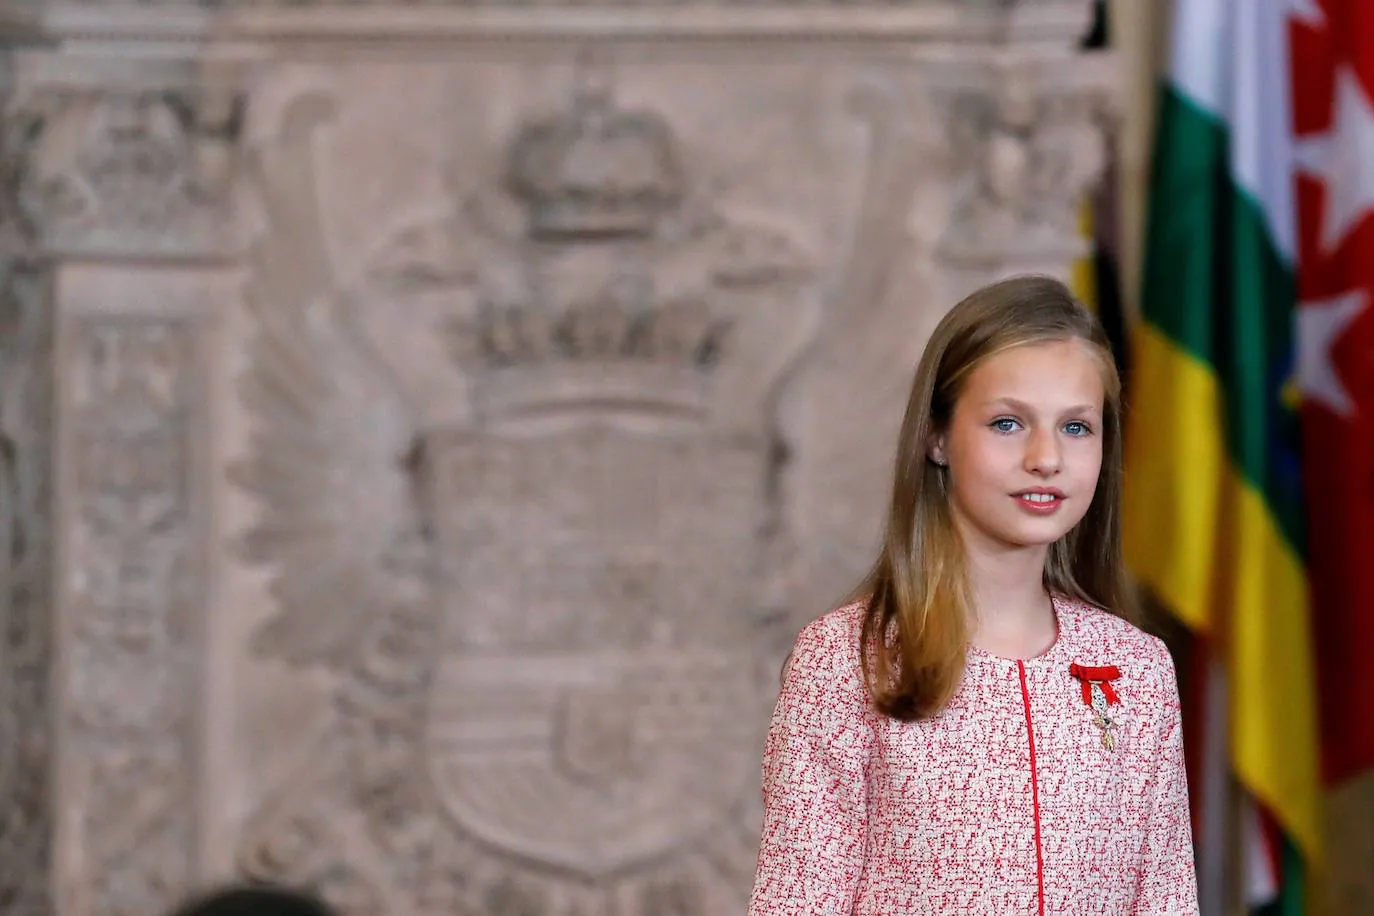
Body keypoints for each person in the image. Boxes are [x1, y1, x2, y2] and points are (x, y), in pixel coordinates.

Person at [748, 276, 1198, 915]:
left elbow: (1166, 901)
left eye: (1077, 427)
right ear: (937, 437)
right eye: (1008, 422)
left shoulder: (1137, 669)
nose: (1046, 458)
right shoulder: (847, 660)